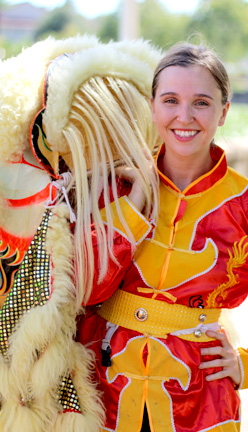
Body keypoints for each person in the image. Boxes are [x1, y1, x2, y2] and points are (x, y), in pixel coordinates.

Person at [77, 42, 248, 432]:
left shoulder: (244, 203)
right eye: (170, 100)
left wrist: (245, 364)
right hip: (104, 394)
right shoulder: (111, 184)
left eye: (201, 102)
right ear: (152, 106)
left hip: (202, 403)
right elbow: (85, 287)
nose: (184, 116)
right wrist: (135, 202)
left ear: (224, 112)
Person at [0, 35, 162, 431]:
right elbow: (89, 283)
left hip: (110, 369)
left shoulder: (95, 179)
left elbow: (91, 284)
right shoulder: (37, 184)